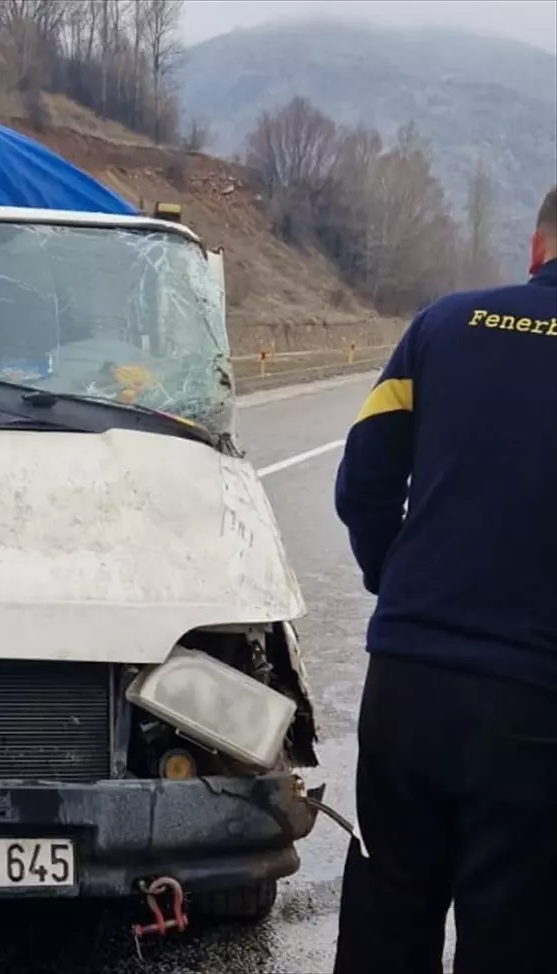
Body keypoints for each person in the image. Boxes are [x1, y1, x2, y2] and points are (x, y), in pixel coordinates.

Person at [332, 186, 557, 974]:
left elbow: (361, 480)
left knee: (387, 915)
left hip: (407, 683)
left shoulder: (443, 325)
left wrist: (393, 579)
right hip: (535, 700)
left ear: (536, 250)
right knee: (517, 928)